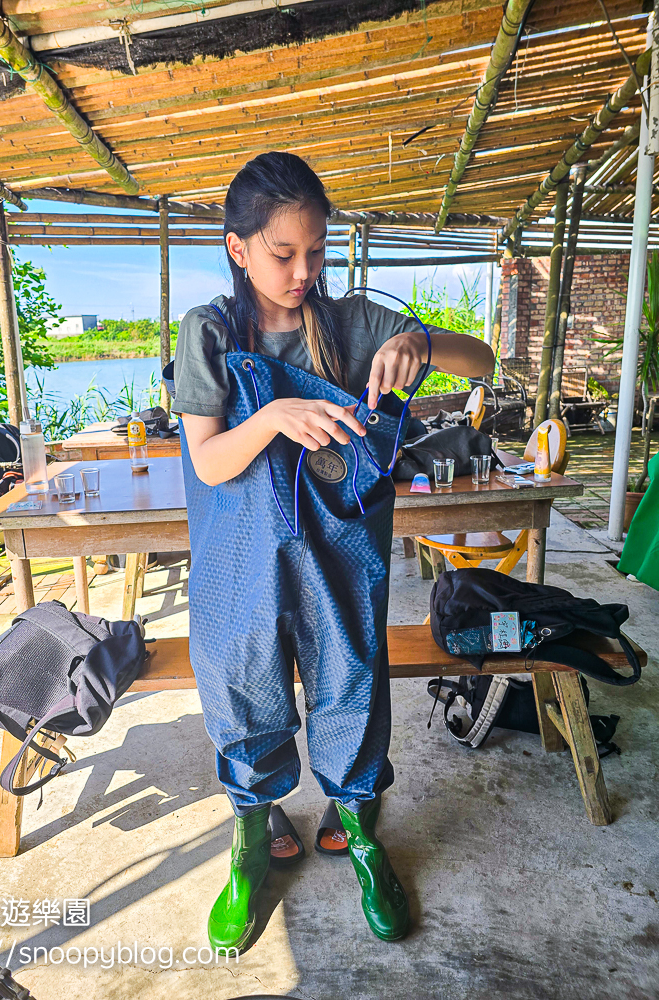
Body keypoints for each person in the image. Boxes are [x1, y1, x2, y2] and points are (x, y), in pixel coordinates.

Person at [168, 151, 494, 950]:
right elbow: (209, 461)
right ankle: (250, 847)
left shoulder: (350, 325)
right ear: (239, 248)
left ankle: (363, 835)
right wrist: (275, 415)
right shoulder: (209, 331)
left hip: (341, 556)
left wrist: (420, 340)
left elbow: (481, 362)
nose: (304, 270)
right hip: (238, 561)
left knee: (352, 688)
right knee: (243, 694)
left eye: (316, 251)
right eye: (284, 254)